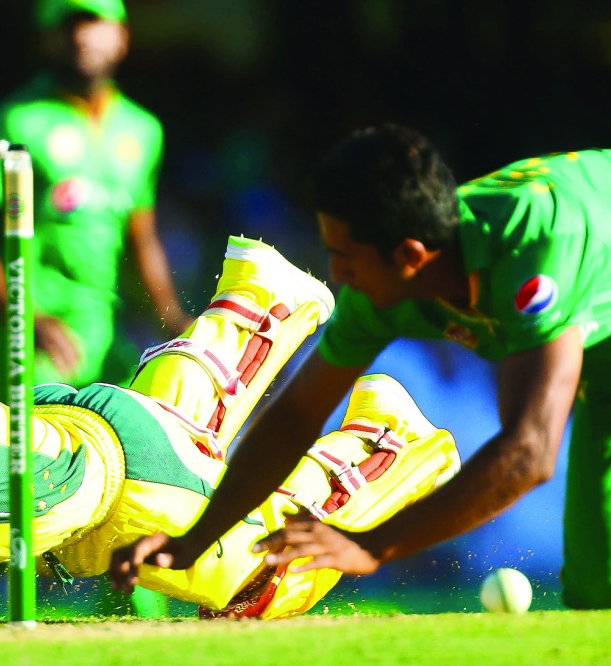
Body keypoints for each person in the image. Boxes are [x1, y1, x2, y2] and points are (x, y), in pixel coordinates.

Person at [0, 237, 460, 619]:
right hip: (75, 438)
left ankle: (384, 442)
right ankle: (256, 303)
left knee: (253, 588)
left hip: (120, 483)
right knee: (182, 427)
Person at [109, 126, 611, 611]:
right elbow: (295, 419)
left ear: (410, 257)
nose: (336, 275)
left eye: (345, 258)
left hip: (579, 255)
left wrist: (373, 546)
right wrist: (192, 540)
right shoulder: (381, 286)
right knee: (598, 587)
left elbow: (531, 451)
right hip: (593, 323)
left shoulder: (534, 248)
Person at [0, 0, 194, 400]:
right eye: (68, 25)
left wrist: (173, 321)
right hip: (24, 351)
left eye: (94, 21)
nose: (81, 37)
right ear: (44, 39)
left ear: (122, 36)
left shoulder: (142, 129)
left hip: (104, 341)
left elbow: (141, 239)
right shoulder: (14, 122)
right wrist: (27, 320)